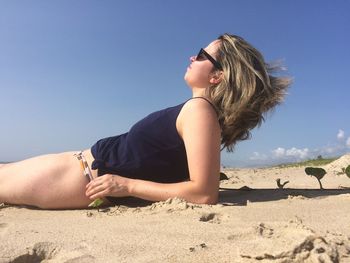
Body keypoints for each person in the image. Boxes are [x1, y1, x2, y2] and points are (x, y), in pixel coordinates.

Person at [0, 33, 291, 209]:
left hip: (79, 178)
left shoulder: (200, 111)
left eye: (202, 55)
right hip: (76, 166)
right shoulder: (199, 112)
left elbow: (204, 193)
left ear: (217, 76)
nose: (192, 56)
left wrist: (127, 186)